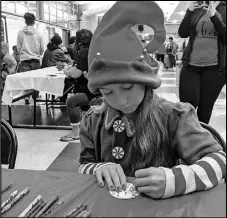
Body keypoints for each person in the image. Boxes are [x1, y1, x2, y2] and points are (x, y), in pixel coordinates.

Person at [77, 1, 226, 200]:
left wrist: (176, 180)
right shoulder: (92, 121)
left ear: (145, 81)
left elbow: (220, 161)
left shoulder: (174, 117)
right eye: (107, 92)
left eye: (127, 87)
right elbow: (83, 166)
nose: (120, 100)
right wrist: (99, 167)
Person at [178, 1, 226, 124]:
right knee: (186, 107)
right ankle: (183, 137)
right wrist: (189, 12)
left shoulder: (224, 10)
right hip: (191, 66)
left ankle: (200, 139)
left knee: (205, 108)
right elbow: (182, 33)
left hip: (215, 69)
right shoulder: (198, 9)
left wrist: (214, 16)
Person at [60, 29, 101, 142]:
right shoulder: (93, 50)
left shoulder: (84, 52)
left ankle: (75, 133)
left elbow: (77, 73)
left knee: (71, 101)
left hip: (90, 90)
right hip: (95, 87)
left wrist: (66, 71)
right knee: (83, 107)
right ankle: (86, 129)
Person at [17, 12, 45, 104]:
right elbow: (42, 49)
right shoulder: (39, 34)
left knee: (26, 81)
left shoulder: (20, 33)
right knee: (36, 80)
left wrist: (23, 54)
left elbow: (18, 48)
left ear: (25, 21)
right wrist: (37, 53)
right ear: (34, 22)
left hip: (24, 60)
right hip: (36, 60)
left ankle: (26, 98)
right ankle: (35, 96)